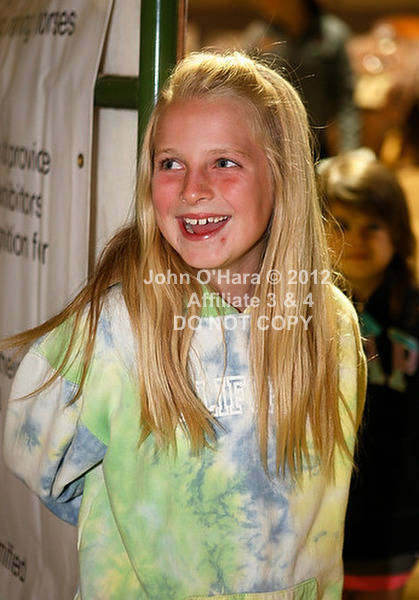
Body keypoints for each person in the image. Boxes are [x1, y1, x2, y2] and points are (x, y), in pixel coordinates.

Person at [2, 51, 366, 600]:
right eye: (170, 163)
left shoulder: (330, 320)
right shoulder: (118, 328)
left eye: (224, 162)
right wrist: (130, 521)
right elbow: (37, 453)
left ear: (282, 175)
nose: (193, 189)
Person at [317, 150, 419, 600]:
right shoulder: (304, 310)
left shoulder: (413, 312)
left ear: (397, 232)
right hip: (324, 512)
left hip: (397, 513)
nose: (355, 239)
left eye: (372, 226)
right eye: (341, 223)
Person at [244, 0, 360, 158]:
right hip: (269, 147)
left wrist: (349, 149)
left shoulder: (331, 34)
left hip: (317, 144)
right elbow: (245, 94)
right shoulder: (259, 35)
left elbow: (345, 98)